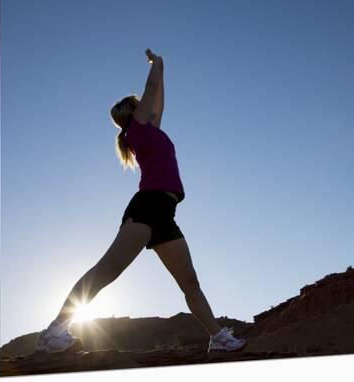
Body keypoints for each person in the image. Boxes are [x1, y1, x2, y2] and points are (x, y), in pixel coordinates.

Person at [36, 48, 246, 354]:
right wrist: (156, 64)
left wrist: (162, 69)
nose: (150, 108)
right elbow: (150, 90)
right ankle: (55, 330)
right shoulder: (137, 129)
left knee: (190, 282)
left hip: (165, 214)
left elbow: (158, 94)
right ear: (135, 112)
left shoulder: (150, 130)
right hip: (146, 208)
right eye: (143, 106)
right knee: (107, 270)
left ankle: (217, 337)